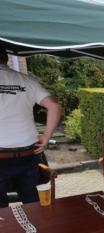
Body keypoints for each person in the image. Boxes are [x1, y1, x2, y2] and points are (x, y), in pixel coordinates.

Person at [0, 47, 62, 208]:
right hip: (28, 154)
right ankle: (37, 232)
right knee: (34, 205)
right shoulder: (27, 80)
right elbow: (54, 106)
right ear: (6, 59)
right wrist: (46, 137)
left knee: (1, 214)